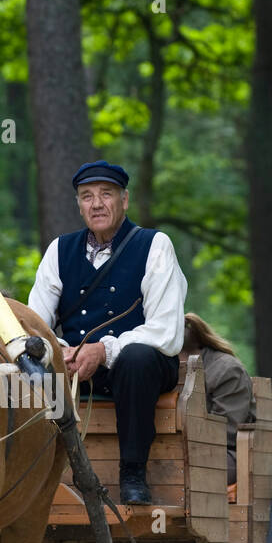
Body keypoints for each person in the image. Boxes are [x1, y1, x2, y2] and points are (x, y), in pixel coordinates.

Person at [28, 160, 188, 504]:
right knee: (20, 363)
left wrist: (104, 350)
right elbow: (33, 324)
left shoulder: (155, 245)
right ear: (79, 205)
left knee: (137, 357)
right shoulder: (59, 250)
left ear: (124, 200)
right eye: (87, 196)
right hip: (76, 371)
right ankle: (30, 477)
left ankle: (132, 474)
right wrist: (60, 351)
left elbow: (166, 332)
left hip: (140, 372)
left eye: (106, 194)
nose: (96, 203)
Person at [181, 312, 256, 485]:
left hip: (227, 454)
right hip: (185, 450)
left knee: (179, 469)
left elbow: (226, 432)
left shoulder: (227, 370)